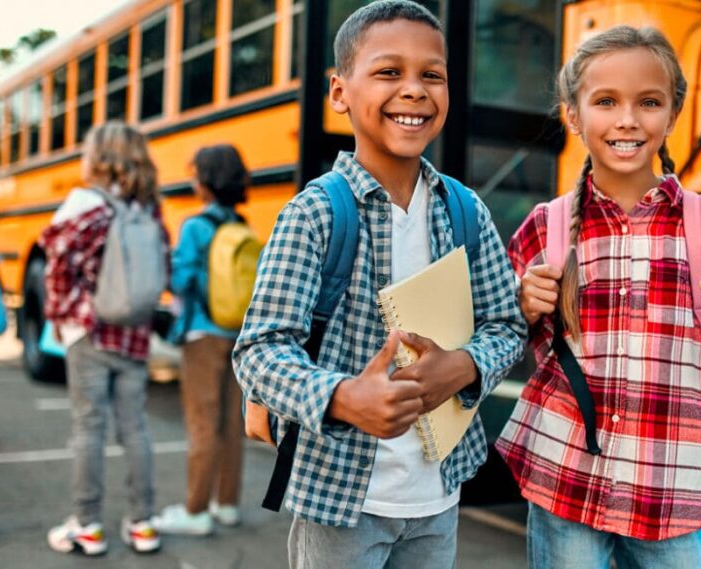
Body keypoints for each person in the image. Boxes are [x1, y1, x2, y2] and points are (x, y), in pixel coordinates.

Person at [495, 26, 701, 568]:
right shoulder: (545, 227)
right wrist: (522, 308)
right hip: (565, 481)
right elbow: (499, 341)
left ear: (672, 116)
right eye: (605, 102)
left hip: (669, 494)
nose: (627, 120)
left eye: (648, 102)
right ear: (572, 115)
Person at [232, 2, 526, 567]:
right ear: (340, 92)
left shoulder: (465, 211)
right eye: (390, 72)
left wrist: (462, 366)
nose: (414, 90)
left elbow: (507, 325)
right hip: (340, 502)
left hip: (438, 497)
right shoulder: (316, 214)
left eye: (431, 75)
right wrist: (343, 398)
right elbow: (260, 351)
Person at [41, 122, 167, 556]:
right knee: (135, 429)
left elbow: (57, 265)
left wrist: (61, 315)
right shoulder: (148, 207)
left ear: (96, 156)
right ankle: (143, 523)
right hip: (134, 330)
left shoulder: (84, 202)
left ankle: (88, 525)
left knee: (88, 427)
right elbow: (160, 262)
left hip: (90, 332)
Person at [152, 145, 248, 536]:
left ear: (205, 183)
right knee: (230, 422)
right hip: (235, 332)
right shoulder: (242, 225)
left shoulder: (194, 227)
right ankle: (226, 504)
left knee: (201, 423)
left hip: (201, 334)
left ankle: (195, 510)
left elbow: (180, 282)